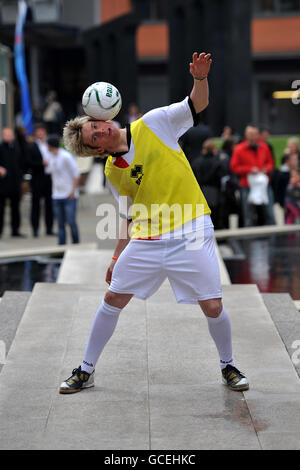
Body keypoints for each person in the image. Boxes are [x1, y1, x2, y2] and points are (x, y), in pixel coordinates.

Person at [60, 52, 249, 394]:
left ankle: (228, 366)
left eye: (96, 124)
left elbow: (197, 104)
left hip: (191, 227)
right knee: (113, 298)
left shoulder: (154, 122)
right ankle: (84, 370)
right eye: (94, 135)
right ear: (95, 149)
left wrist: (200, 78)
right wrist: (117, 257)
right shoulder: (112, 171)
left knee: (213, 304)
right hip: (148, 238)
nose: (100, 129)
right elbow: (128, 216)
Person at [230, 125, 275, 227]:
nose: (253, 137)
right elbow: (234, 167)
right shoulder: (239, 149)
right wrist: (249, 170)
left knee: (269, 212)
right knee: (248, 214)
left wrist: (266, 169)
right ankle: (249, 240)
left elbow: (270, 163)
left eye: (255, 134)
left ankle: (272, 238)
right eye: (250, 134)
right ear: (246, 135)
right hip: (247, 185)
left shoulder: (264, 147)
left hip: (263, 184)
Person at [45, 135, 80, 245]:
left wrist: (73, 191)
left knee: (71, 221)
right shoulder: (50, 157)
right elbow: (49, 171)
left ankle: (76, 243)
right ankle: (61, 244)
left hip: (69, 194)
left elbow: (76, 174)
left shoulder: (66, 156)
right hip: (56, 194)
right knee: (60, 223)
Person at [26, 124, 54, 237]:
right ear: (35, 133)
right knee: (36, 205)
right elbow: (28, 162)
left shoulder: (50, 144)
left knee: (49, 204)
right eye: (38, 132)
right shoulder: (31, 146)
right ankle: (35, 229)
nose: (40, 134)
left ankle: (49, 228)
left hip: (49, 178)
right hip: (37, 178)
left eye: (42, 131)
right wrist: (41, 164)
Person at [191, 138, 224, 229]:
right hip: (214, 193)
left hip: (200, 192)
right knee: (214, 217)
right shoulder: (217, 162)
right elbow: (220, 177)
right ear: (213, 149)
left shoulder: (196, 162)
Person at [0, 127, 26, 237]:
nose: (9, 136)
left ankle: (15, 230)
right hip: (2, 184)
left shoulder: (16, 147)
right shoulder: (0, 147)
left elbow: (21, 162)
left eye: (11, 134)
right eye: (7, 134)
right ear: (3, 136)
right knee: (0, 209)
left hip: (15, 183)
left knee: (15, 208)